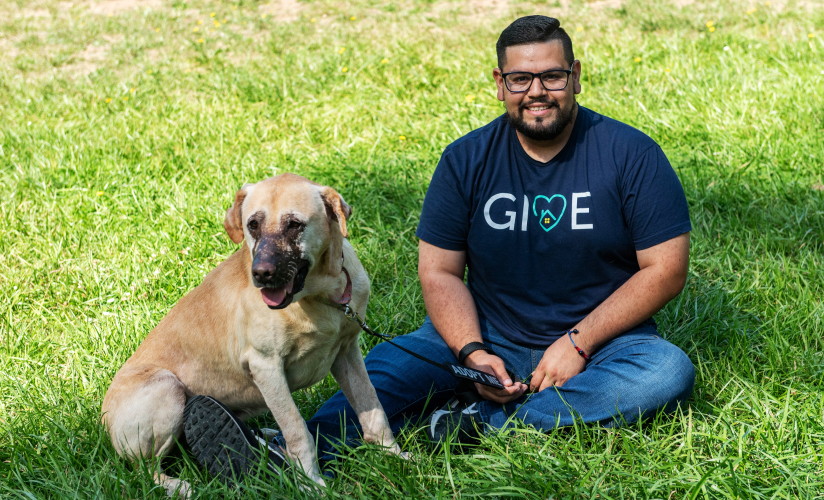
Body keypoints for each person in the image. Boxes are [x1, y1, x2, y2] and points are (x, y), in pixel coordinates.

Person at [184, 14, 695, 476]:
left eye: (552, 77)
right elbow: (440, 273)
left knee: (665, 372)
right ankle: (284, 450)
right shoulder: (465, 159)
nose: (537, 91)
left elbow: (665, 269)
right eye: (520, 78)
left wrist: (578, 342)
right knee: (380, 372)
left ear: (575, 76)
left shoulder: (632, 154)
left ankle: (481, 423)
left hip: (605, 342)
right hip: (486, 328)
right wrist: (470, 351)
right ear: (500, 85)